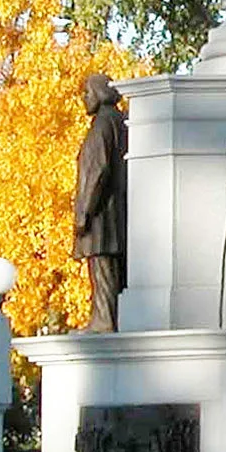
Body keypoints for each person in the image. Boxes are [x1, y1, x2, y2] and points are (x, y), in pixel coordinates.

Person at [71, 73, 128, 332]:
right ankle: (106, 316)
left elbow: (97, 170)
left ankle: (103, 319)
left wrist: (84, 211)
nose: (84, 98)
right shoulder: (121, 122)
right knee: (110, 269)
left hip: (102, 213)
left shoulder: (102, 125)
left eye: (87, 92)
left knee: (101, 265)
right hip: (117, 209)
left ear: (99, 93)